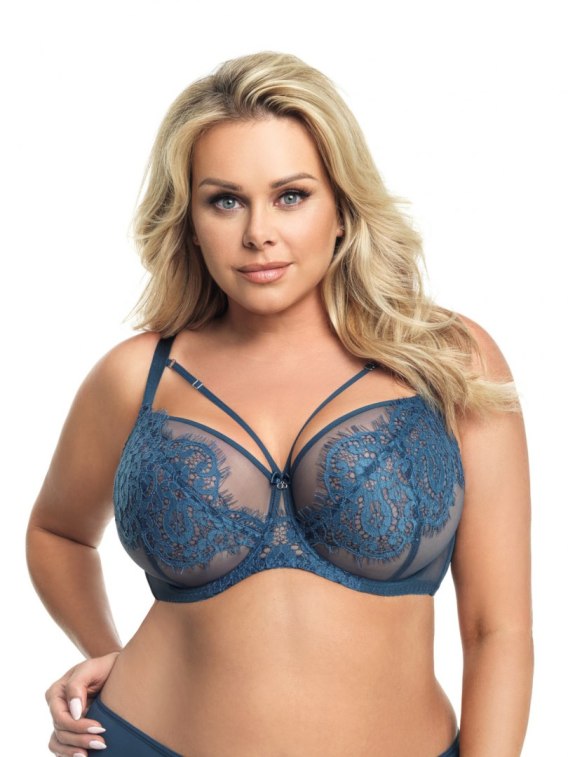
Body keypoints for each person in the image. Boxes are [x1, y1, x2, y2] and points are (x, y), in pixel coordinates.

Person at [27, 51, 533, 757]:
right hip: (145, 740)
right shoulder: (138, 375)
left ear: (342, 208)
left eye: (291, 196)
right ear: (190, 219)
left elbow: (496, 629)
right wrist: (105, 649)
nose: (258, 232)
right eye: (225, 200)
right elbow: (57, 532)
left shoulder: (448, 361)